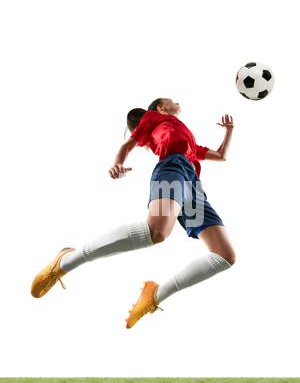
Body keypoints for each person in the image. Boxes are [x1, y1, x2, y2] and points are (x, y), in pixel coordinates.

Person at [31, 98, 236, 329]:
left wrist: (228, 132)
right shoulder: (153, 118)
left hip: (194, 186)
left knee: (224, 256)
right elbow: (127, 145)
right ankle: (66, 261)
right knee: (156, 232)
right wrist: (118, 163)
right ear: (160, 108)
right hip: (173, 168)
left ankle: (155, 295)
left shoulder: (189, 141)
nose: (178, 102)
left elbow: (221, 156)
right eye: (172, 101)